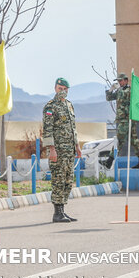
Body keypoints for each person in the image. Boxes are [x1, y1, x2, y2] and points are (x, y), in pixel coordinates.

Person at [42, 77, 82, 223]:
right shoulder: (50, 107)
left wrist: (77, 146)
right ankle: (57, 213)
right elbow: (47, 130)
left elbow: (73, 129)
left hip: (69, 150)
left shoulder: (69, 105)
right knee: (58, 180)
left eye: (65, 90)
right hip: (57, 151)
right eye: (60, 89)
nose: (63, 92)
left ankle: (63, 211)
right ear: (55, 89)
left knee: (67, 180)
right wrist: (52, 150)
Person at [103, 73, 139, 169]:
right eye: (118, 81)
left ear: (126, 80)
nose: (119, 82)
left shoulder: (129, 90)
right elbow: (108, 98)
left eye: (121, 80)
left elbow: (125, 94)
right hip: (124, 119)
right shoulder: (120, 90)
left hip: (127, 119)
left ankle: (109, 161)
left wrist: (118, 89)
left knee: (119, 140)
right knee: (134, 140)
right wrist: (110, 90)